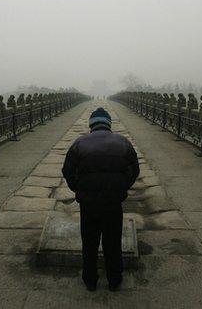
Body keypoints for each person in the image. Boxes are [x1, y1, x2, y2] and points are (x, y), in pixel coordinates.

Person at [62, 107, 140, 292]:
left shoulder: (79, 143)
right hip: (113, 203)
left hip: (88, 205)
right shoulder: (123, 142)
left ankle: (90, 279)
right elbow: (134, 170)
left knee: (89, 241)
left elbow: (67, 171)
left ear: (91, 125)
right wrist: (121, 186)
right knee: (113, 241)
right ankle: (114, 279)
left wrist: (78, 188)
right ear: (108, 124)